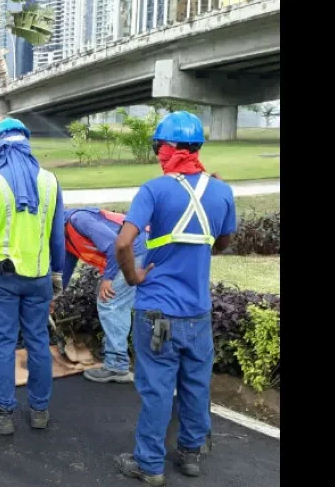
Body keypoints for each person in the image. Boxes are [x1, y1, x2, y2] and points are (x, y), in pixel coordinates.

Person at [113, 111, 236, 486]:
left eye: (157, 148)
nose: (156, 155)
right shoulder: (221, 191)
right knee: (196, 385)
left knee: (157, 390)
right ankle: (190, 454)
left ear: (166, 149)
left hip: (156, 311)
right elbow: (224, 241)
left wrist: (134, 275)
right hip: (196, 313)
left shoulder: (154, 190)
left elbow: (122, 242)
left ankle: (149, 465)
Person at [0, 117, 66, 435]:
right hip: (39, 278)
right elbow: (57, 236)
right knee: (38, 342)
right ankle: (39, 411)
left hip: (3, 280)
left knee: (5, 344)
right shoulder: (50, 182)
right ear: (26, 144)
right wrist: (58, 272)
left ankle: (4, 414)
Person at [62, 207, 149, 384]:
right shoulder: (65, 235)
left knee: (110, 302)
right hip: (136, 249)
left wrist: (108, 279)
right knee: (123, 304)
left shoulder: (78, 220)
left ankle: (117, 365)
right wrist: (56, 296)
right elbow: (66, 268)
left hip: (135, 250)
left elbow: (114, 245)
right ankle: (120, 355)